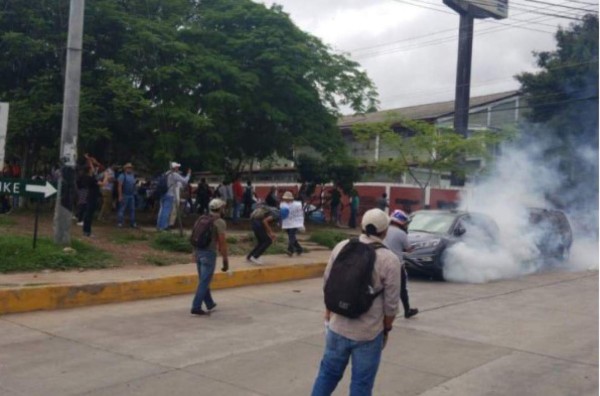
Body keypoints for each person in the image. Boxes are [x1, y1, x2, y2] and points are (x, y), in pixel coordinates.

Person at [311, 208, 401, 396]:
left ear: (362, 226)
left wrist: (329, 314)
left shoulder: (342, 246)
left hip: (337, 327)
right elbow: (391, 304)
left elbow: (328, 282)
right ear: (385, 231)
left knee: (327, 374)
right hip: (368, 333)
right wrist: (387, 329)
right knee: (361, 383)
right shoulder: (389, 259)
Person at [191, 198, 229, 316]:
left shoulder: (202, 218)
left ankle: (209, 303)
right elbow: (222, 243)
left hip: (198, 251)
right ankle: (196, 306)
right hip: (209, 254)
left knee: (204, 279)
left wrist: (194, 252)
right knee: (204, 281)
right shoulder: (220, 222)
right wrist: (225, 260)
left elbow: (194, 235)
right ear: (220, 209)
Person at [384, 209, 419, 319]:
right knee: (402, 289)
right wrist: (412, 248)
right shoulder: (401, 233)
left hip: (382, 262)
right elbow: (408, 249)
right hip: (397, 264)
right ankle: (407, 310)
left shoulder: (384, 230)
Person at [157, 162, 191, 231]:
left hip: (163, 194)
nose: (178, 168)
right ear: (174, 168)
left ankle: (159, 226)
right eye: (177, 167)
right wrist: (188, 174)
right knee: (166, 211)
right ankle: (163, 227)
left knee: (162, 211)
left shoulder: (166, 173)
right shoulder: (174, 174)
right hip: (170, 195)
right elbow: (185, 181)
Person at [280, 191, 304, 256]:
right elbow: (282, 214)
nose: (286, 200)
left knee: (291, 236)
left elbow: (300, 214)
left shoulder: (297, 205)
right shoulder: (283, 205)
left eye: (287, 199)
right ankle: (299, 249)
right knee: (292, 237)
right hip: (287, 223)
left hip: (295, 223)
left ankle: (290, 250)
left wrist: (301, 223)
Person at [80, 164, 101, 237]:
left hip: (90, 196)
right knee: (89, 214)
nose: (93, 169)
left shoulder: (88, 177)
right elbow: (102, 184)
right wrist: (107, 177)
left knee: (88, 214)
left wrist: (89, 160)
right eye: (91, 169)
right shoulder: (91, 178)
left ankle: (86, 231)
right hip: (92, 197)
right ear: (89, 170)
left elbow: (92, 168)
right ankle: (87, 231)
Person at [117, 163, 137, 228]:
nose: (130, 169)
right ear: (125, 169)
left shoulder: (132, 176)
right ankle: (120, 222)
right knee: (122, 209)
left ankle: (133, 223)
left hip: (131, 195)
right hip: (124, 194)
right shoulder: (122, 176)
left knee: (132, 209)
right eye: (128, 168)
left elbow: (134, 185)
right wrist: (120, 195)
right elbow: (119, 186)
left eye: (131, 168)